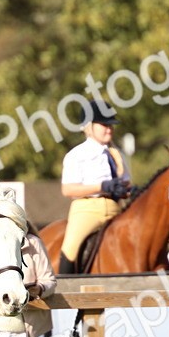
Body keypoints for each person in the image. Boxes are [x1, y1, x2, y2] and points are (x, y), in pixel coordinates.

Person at [57, 102, 131, 274]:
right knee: (70, 249)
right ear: (89, 127)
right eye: (104, 125)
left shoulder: (116, 154)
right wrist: (102, 186)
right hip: (87, 210)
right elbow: (68, 190)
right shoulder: (76, 155)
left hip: (115, 208)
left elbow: (126, 184)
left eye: (111, 125)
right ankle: (66, 287)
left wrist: (127, 191)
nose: (109, 129)